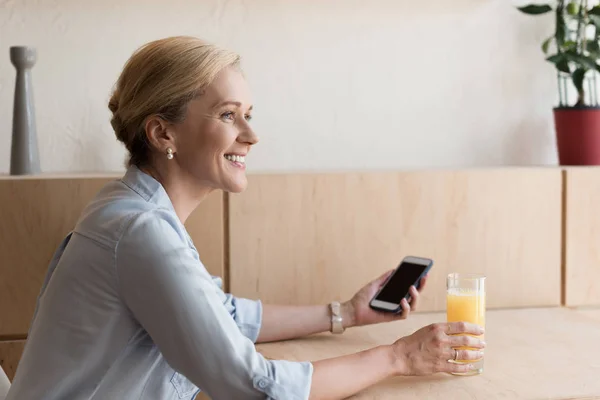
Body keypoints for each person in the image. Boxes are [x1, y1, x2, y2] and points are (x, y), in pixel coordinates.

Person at [6, 36, 485, 400]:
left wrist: (345, 312)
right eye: (229, 115)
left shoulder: (127, 206)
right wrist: (400, 356)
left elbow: (219, 314)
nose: (251, 135)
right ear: (162, 132)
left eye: (249, 114)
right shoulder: (140, 230)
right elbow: (250, 384)